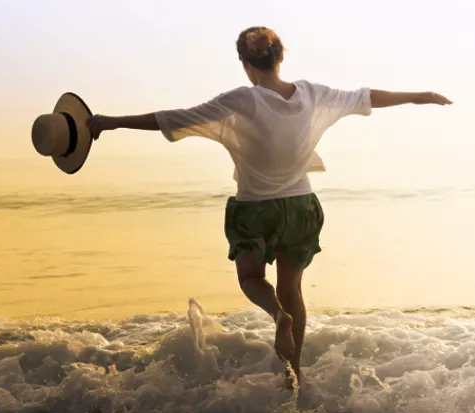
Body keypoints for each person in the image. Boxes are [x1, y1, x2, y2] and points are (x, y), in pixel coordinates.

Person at [87, 26, 452, 389]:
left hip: (254, 209)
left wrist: (113, 122)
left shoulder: (242, 100)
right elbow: (366, 96)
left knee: (251, 279)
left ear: (244, 63)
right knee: (292, 288)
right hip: (301, 207)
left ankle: (277, 315)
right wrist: (419, 96)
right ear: (282, 57)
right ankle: (294, 375)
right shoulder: (312, 94)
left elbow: (174, 118)